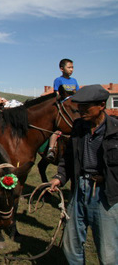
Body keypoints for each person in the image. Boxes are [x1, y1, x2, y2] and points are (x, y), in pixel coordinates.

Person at [49, 84, 118, 265]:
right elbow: (69, 157)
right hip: (79, 190)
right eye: (79, 105)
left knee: (108, 252)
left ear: (102, 105)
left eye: (86, 106)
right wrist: (60, 177)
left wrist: (107, 178)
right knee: (70, 246)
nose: (80, 110)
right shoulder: (79, 127)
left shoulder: (116, 131)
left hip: (105, 196)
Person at [46, 58, 79, 162]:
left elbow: (77, 94)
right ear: (61, 68)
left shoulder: (74, 81)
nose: (71, 69)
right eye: (69, 67)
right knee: (57, 128)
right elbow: (57, 94)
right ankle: (51, 149)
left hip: (72, 107)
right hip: (62, 107)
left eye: (72, 67)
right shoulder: (58, 80)